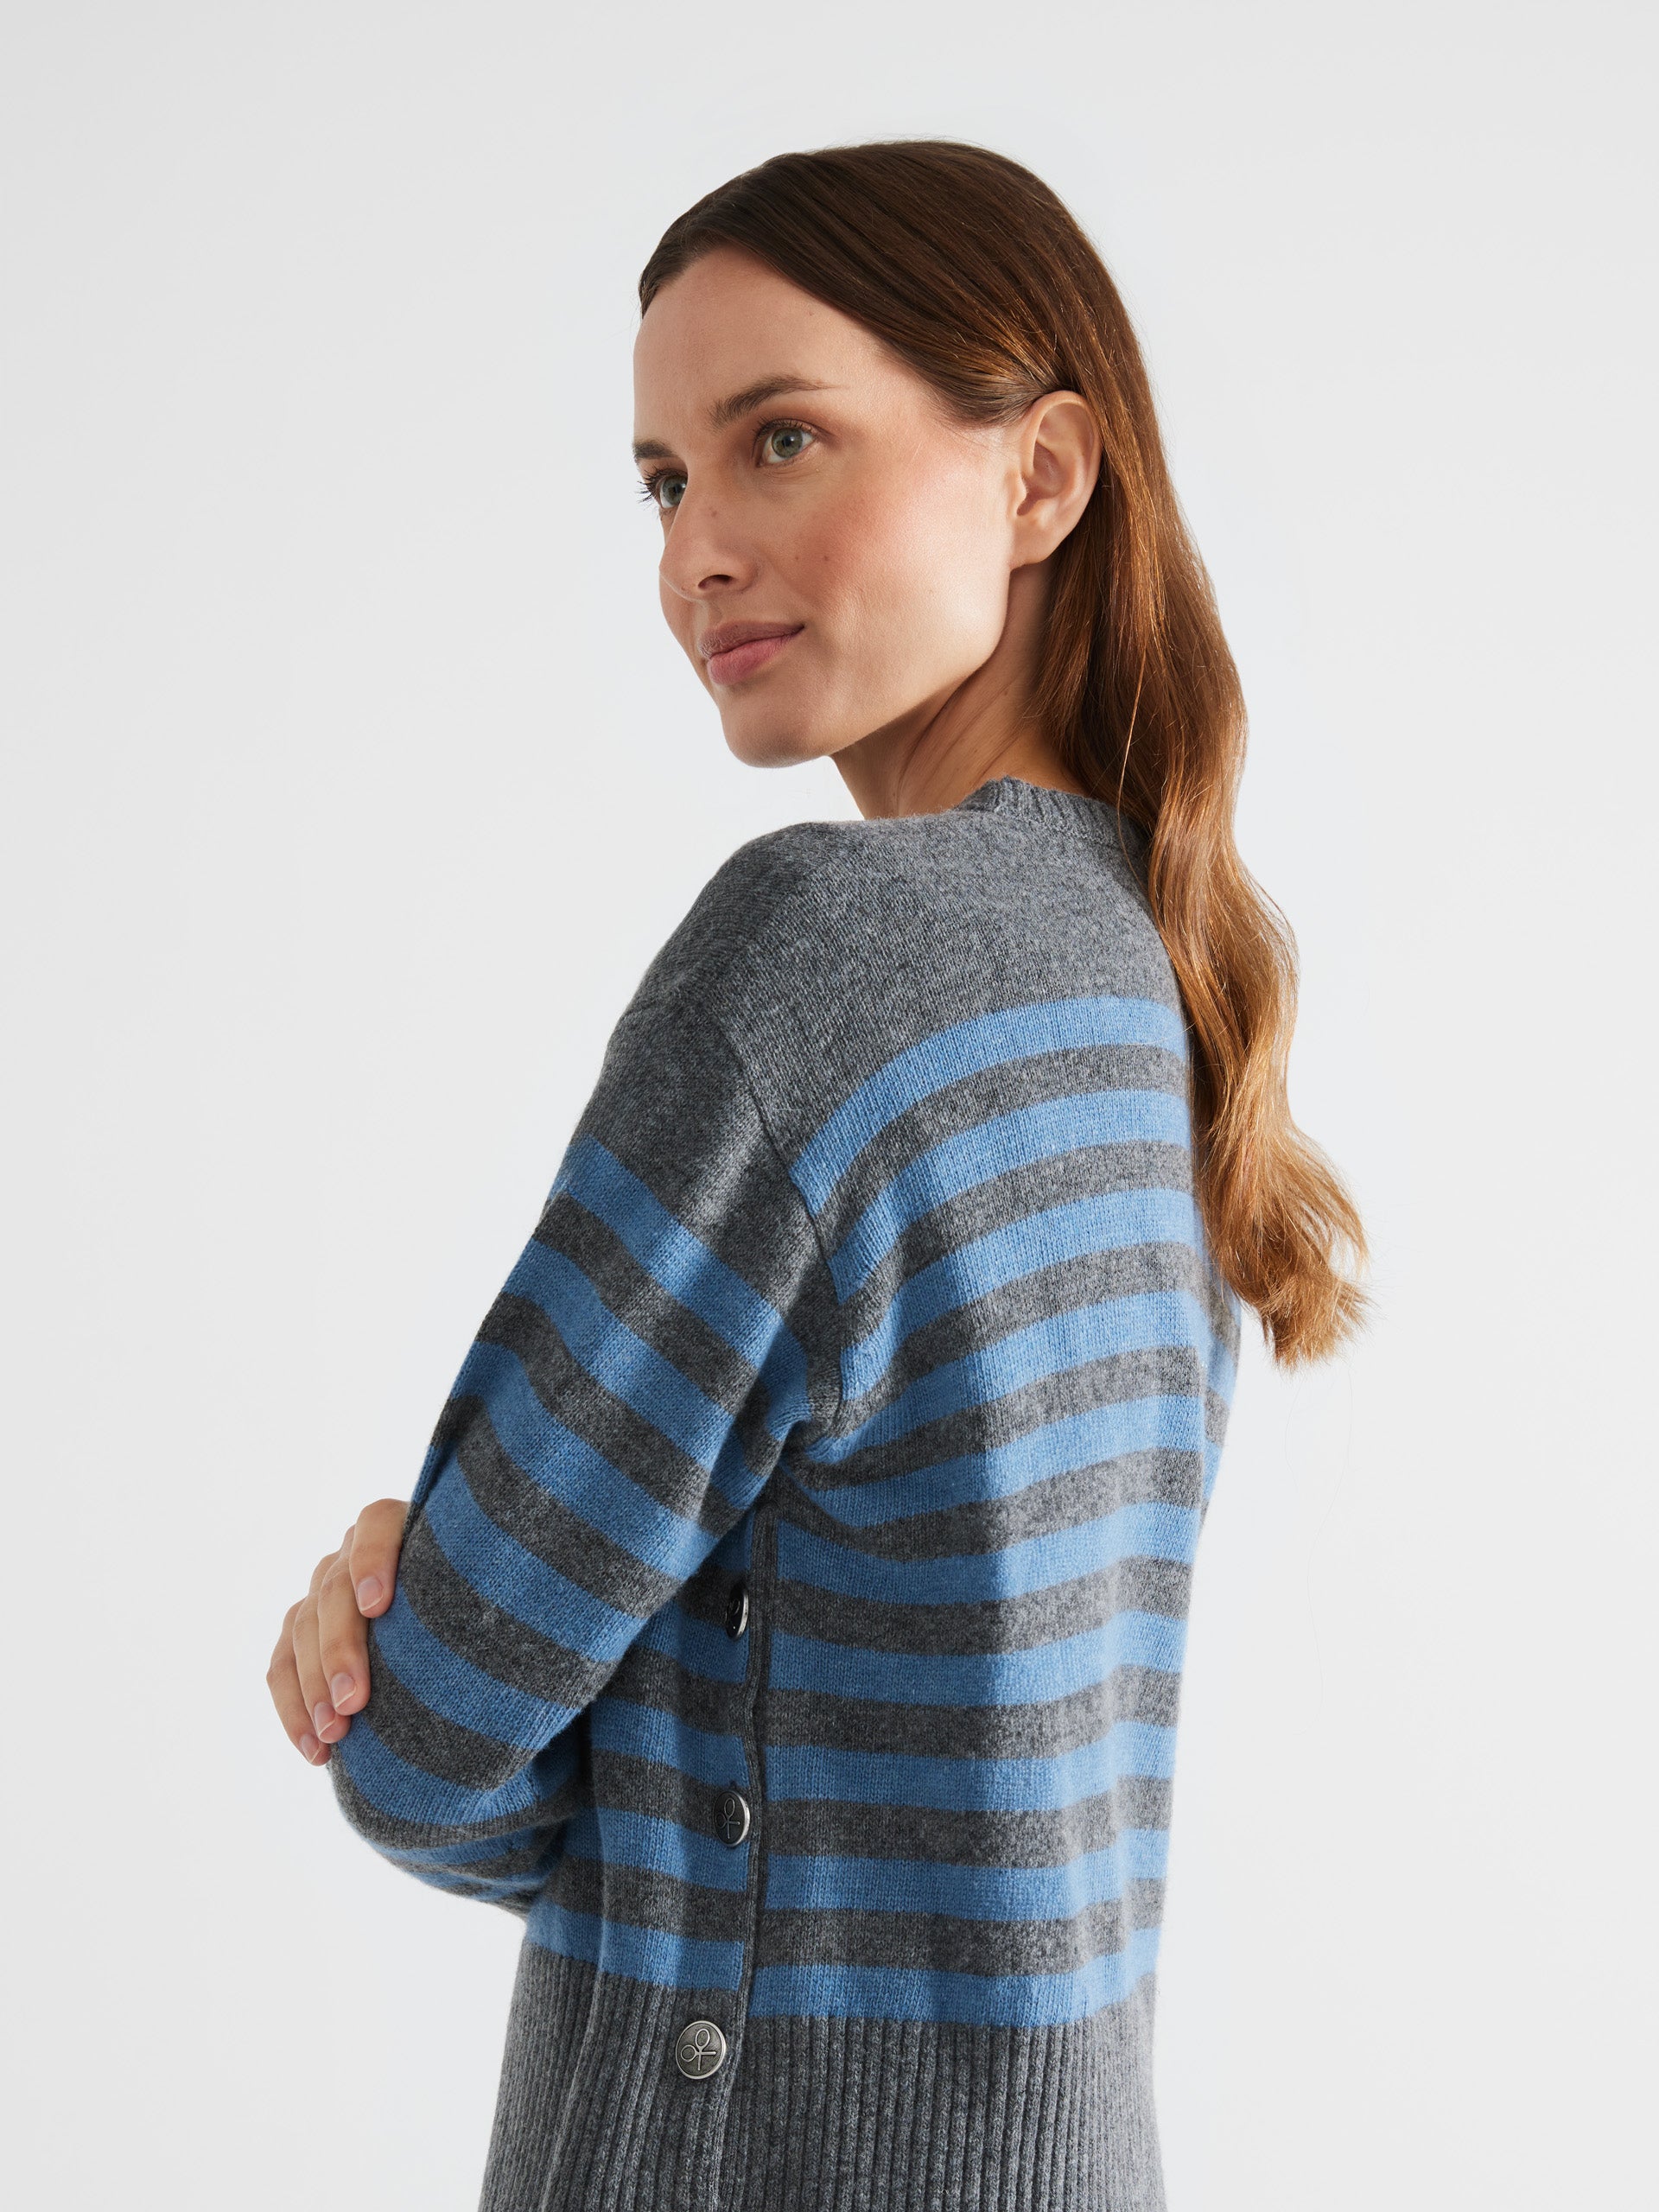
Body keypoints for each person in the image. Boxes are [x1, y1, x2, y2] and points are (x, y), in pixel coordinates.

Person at [267, 140, 1364, 2212]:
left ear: (1040, 476)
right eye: (663, 481)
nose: (699, 549)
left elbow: (426, 1742)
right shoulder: (1136, 978)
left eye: (781, 439)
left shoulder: (821, 966)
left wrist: (403, 1627)